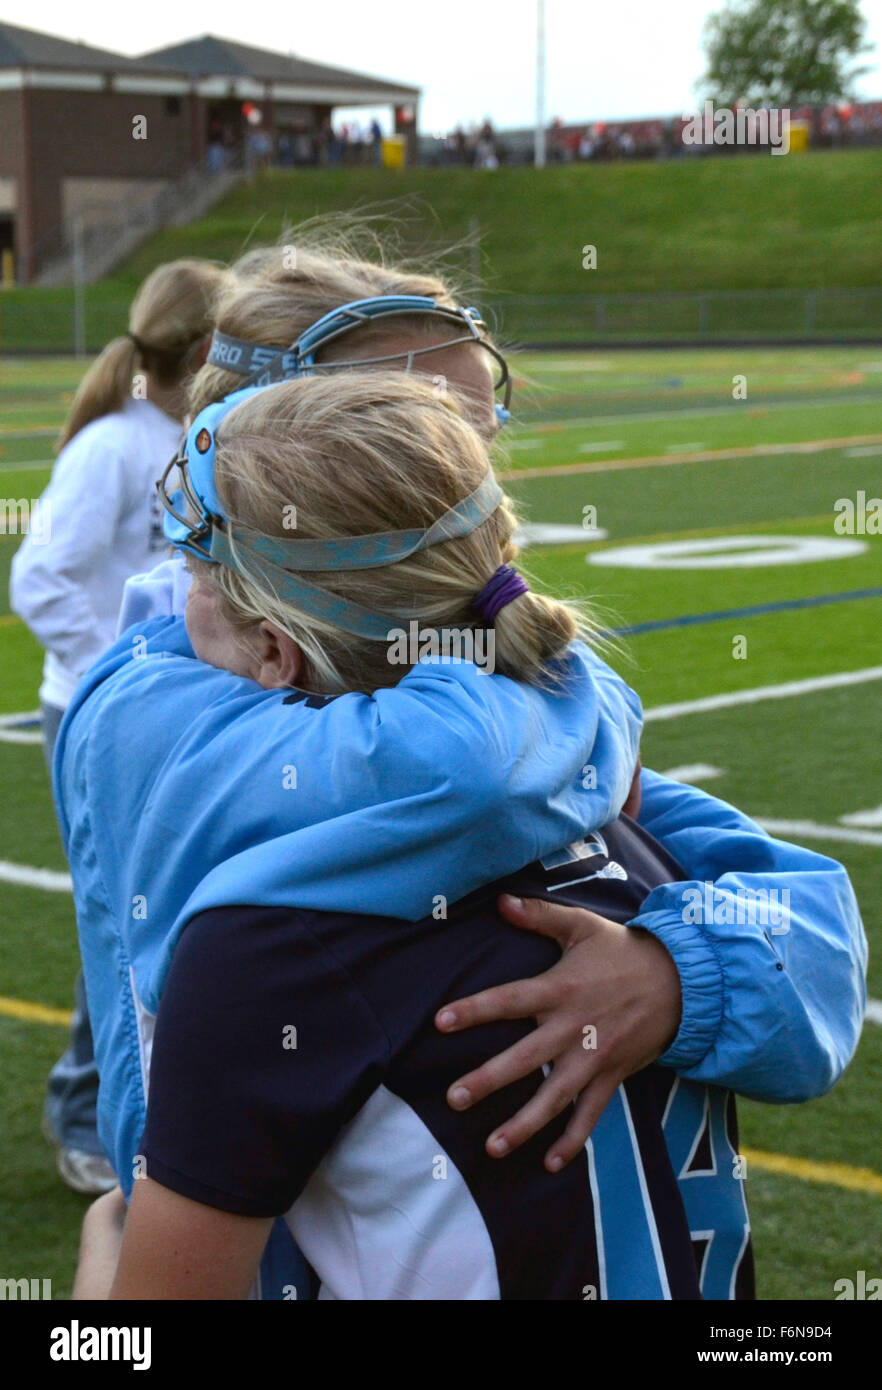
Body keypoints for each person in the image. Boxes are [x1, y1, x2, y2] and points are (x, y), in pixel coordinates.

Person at [108, 234, 866, 1297]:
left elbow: (819, 933)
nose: (463, 465)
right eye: (422, 428)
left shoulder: (541, 748)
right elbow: (461, 766)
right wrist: (570, 689)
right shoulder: (559, 754)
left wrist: (674, 975)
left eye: (475, 433)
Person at [9, 258, 229, 1194]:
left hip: (173, 716)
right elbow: (38, 579)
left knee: (183, 916)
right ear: (206, 347)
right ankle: (81, 1115)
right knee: (124, 915)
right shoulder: (114, 448)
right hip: (106, 720)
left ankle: (174, 1100)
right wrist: (123, 673)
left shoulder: (199, 435)